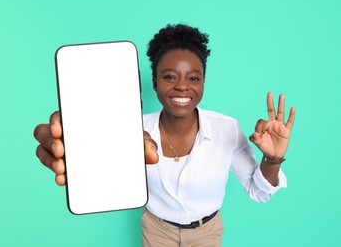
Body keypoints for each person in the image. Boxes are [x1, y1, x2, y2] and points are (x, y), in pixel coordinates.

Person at [34, 24, 295, 247]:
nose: (182, 86)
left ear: (203, 82)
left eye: (194, 78)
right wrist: (78, 152)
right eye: (170, 76)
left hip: (207, 233)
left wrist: (272, 160)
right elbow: (102, 173)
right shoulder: (131, 131)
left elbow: (258, 192)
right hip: (156, 232)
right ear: (155, 82)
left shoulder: (227, 128)